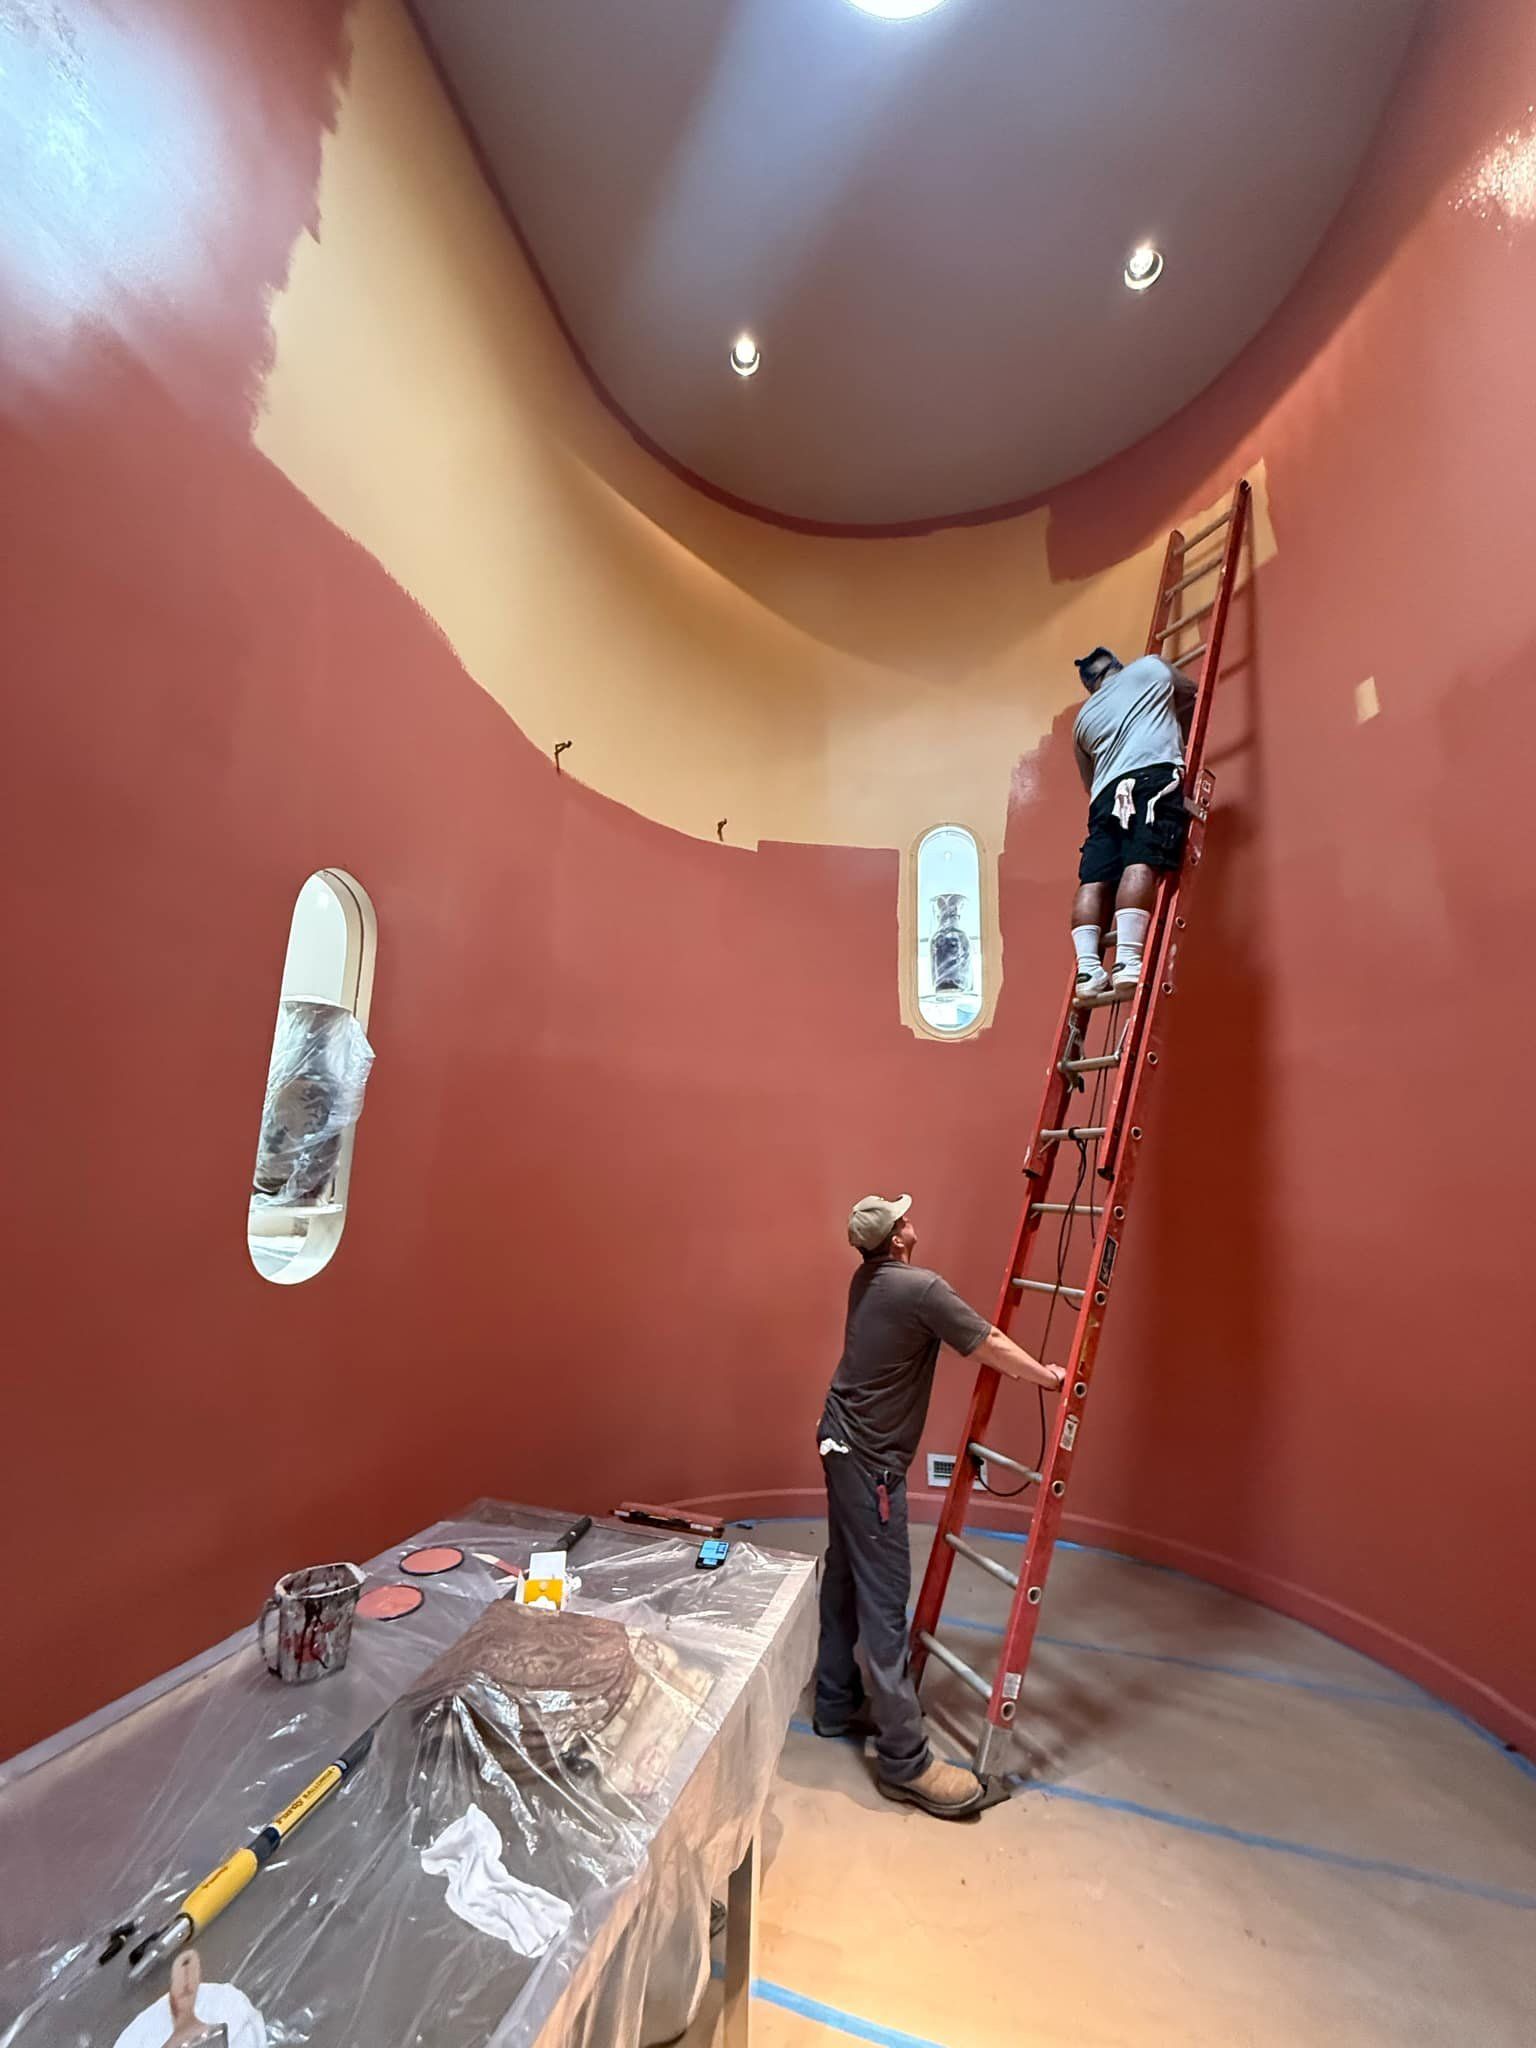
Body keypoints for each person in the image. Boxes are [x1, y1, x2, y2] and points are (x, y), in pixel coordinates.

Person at [814, 1194, 1065, 1819]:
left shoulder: (865, 1279)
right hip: (870, 1465)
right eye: (904, 1219)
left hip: (837, 1443)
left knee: (844, 1577)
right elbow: (987, 1342)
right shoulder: (920, 1288)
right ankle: (905, 1762)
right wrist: (1049, 1378)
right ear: (897, 1238)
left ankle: (834, 1701)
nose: (912, 1222)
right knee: (882, 1603)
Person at [1069, 645, 1199, 999]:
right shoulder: (1151, 669)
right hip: (1152, 777)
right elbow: (1192, 696)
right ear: (1116, 666)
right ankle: (1127, 960)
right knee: (1140, 860)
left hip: (1105, 796)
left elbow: (1088, 782)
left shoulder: (1082, 720)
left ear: (1089, 686)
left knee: (1093, 880)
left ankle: (1088, 971)